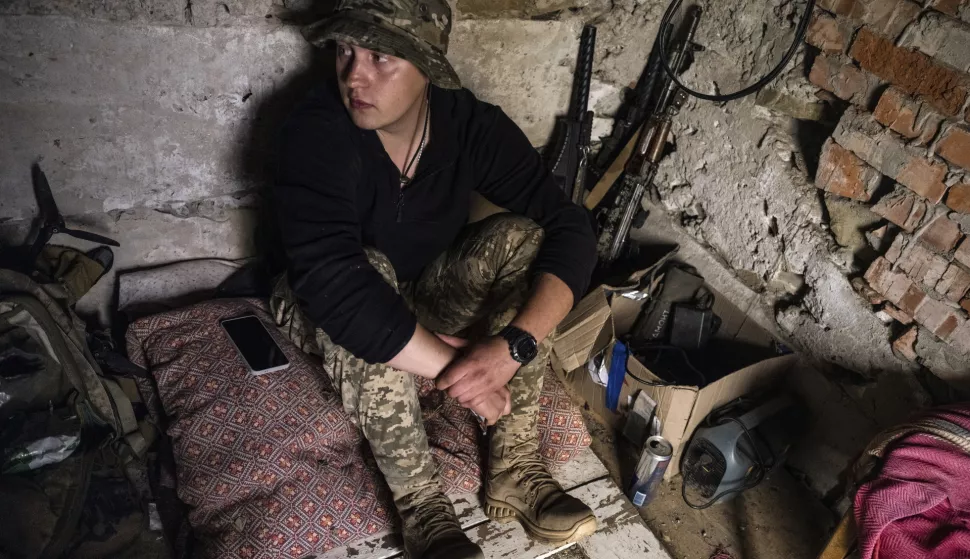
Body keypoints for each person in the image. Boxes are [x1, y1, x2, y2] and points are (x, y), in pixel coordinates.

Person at [270, 0, 599, 556]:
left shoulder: (467, 125)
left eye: (381, 57)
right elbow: (336, 285)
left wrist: (511, 349)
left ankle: (514, 469)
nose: (355, 75)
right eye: (345, 52)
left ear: (428, 69)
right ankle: (423, 507)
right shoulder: (317, 132)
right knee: (367, 276)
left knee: (523, 235)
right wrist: (464, 374)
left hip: (426, 291)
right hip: (318, 298)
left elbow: (569, 225)